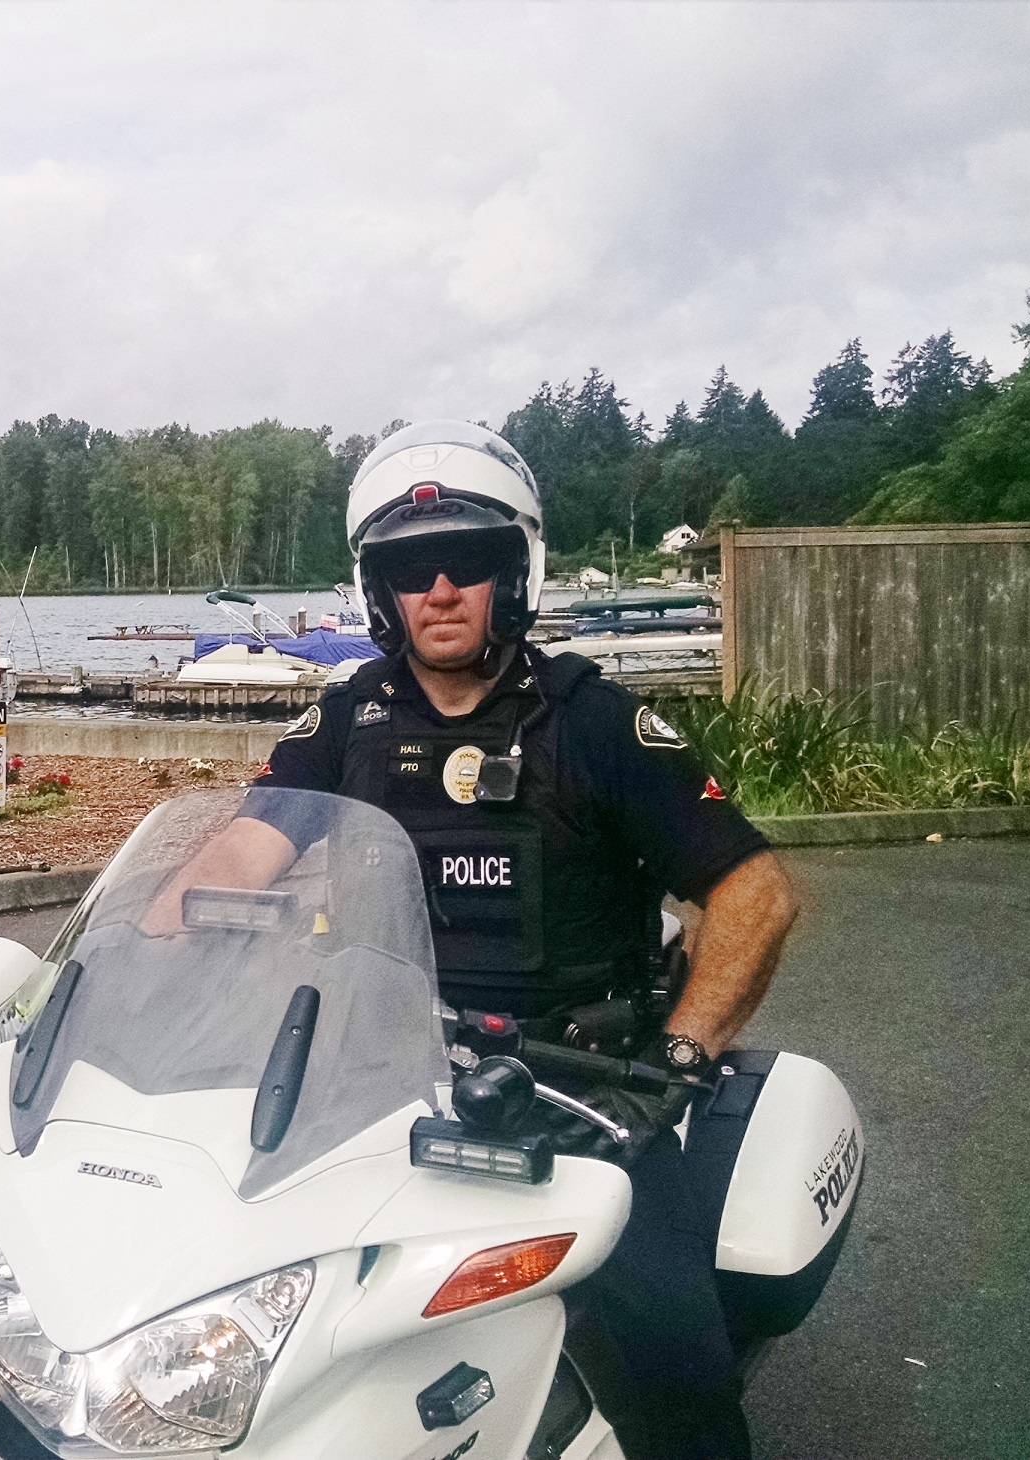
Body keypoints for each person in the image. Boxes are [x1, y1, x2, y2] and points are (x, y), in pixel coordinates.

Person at [212, 421, 798, 1460]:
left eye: (467, 562)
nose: (438, 588)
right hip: (382, 1079)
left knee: (673, 1355)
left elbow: (754, 890)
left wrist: (675, 1060)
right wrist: (179, 923)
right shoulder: (347, 721)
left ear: (513, 573)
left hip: (585, 1093)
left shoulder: (596, 724)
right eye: (406, 567)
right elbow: (233, 861)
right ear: (375, 590)